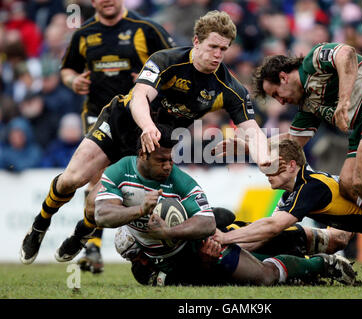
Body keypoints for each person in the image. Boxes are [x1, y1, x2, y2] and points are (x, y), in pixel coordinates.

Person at [20, 11, 273, 266]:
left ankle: (81, 233)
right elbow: (140, 96)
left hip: (150, 147)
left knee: (94, 205)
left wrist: (265, 161)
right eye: (213, 47)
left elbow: (251, 128)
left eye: (224, 49)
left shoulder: (228, 87)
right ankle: (40, 225)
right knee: (71, 180)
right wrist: (148, 126)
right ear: (196, 41)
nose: (218, 55)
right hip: (120, 123)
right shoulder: (166, 60)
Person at [250, 43, 362, 286]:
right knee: (348, 184)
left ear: (283, 77)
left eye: (276, 94)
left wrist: (343, 102)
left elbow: (346, 53)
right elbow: (292, 142)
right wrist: (249, 146)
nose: (281, 102)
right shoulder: (308, 105)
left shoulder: (311, 62)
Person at [88, 132, 355, 286]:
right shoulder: (147, 273)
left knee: (309, 237)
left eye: (136, 255)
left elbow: (219, 217)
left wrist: (182, 231)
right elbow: (192, 280)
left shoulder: (176, 185)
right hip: (211, 255)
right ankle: (325, 266)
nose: (139, 259)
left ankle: (332, 243)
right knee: (264, 274)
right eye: (135, 258)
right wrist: (205, 257)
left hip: (219, 236)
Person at [213, 139, 362, 286]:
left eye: (271, 165)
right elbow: (267, 233)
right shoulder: (296, 191)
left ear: (292, 165)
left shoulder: (310, 187)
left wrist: (225, 237)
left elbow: (272, 227)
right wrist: (232, 250)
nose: (265, 170)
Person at [59, 0, 174, 273]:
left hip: (140, 118)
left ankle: (155, 247)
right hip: (99, 116)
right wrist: (72, 81)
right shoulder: (83, 34)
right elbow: (67, 69)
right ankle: (94, 247)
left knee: (140, 180)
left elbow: (176, 66)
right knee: (97, 179)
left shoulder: (146, 29)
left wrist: (152, 81)